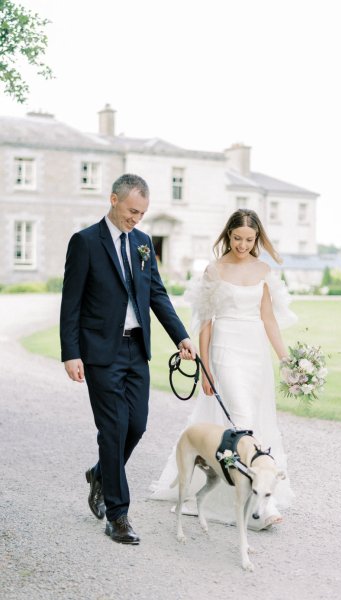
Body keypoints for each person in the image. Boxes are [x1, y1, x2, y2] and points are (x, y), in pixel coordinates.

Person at [60, 173, 196, 545]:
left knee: (136, 425)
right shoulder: (85, 242)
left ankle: (102, 473)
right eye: (133, 211)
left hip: (137, 349)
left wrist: (181, 336)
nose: (136, 218)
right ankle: (118, 515)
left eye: (142, 213)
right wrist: (70, 353)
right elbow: (70, 302)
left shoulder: (142, 243)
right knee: (114, 428)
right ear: (114, 199)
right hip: (100, 352)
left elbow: (157, 293)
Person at [150, 208, 297, 529]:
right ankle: (259, 504)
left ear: (257, 238)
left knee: (256, 418)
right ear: (227, 235)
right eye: (237, 238)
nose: (243, 245)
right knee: (241, 417)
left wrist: (286, 359)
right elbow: (205, 323)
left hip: (255, 351)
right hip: (225, 349)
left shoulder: (263, 270)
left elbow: (268, 319)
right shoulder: (214, 270)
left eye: (249, 239)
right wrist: (205, 368)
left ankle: (254, 490)